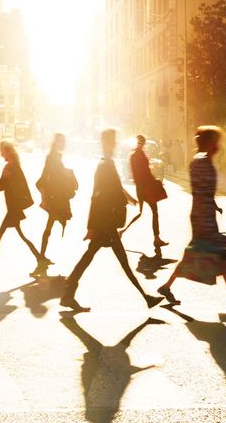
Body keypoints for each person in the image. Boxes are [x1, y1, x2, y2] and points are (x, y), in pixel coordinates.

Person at [59, 128, 160, 312]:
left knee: (90, 258)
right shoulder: (104, 165)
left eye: (114, 141)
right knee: (120, 262)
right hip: (105, 223)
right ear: (105, 143)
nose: (114, 144)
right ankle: (146, 298)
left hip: (107, 222)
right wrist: (91, 226)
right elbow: (96, 196)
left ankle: (68, 294)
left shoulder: (108, 163)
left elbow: (115, 187)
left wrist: (129, 198)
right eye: (111, 141)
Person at [157, 126, 226, 311]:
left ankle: (166, 287)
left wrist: (213, 205)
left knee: (195, 254)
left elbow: (203, 190)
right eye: (216, 140)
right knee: (219, 254)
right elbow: (201, 191)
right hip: (202, 216)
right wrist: (207, 213)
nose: (219, 145)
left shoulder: (202, 160)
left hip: (204, 213)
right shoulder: (201, 162)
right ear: (209, 142)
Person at [0, 140, 48, 279]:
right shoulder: (14, 166)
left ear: (7, 151)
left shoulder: (11, 167)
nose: (1, 153)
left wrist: (5, 178)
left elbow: (0, 187)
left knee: (1, 236)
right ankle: (41, 260)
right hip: (13, 208)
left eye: (2, 150)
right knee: (21, 237)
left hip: (13, 209)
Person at [37, 132, 77, 261]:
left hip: (56, 196)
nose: (64, 145)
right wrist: (44, 199)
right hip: (55, 197)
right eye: (63, 142)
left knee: (49, 225)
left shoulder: (55, 156)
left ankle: (42, 256)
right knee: (49, 226)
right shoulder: (52, 157)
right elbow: (47, 177)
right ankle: (41, 257)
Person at [129, 134, 167, 249]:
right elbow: (144, 172)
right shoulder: (139, 155)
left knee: (140, 212)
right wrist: (154, 180)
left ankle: (121, 231)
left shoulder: (133, 155)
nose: (142, 145)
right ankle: (157, 238)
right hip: (146, 187)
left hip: (140, 187)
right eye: (142, 143)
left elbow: (137, 173)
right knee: (154, 212)